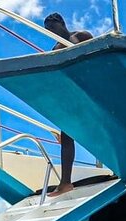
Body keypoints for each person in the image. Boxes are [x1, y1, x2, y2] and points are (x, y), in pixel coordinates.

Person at [44, 13, 94, 197]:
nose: (50, 31)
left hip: (90, 90)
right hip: (73, 95)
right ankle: (65, 183)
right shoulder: (55, 48)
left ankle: (118, 169)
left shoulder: (82, 36)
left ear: (62, 24)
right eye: (47, 30)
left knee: (102, 129)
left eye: (52, 27)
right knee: (66, 134)